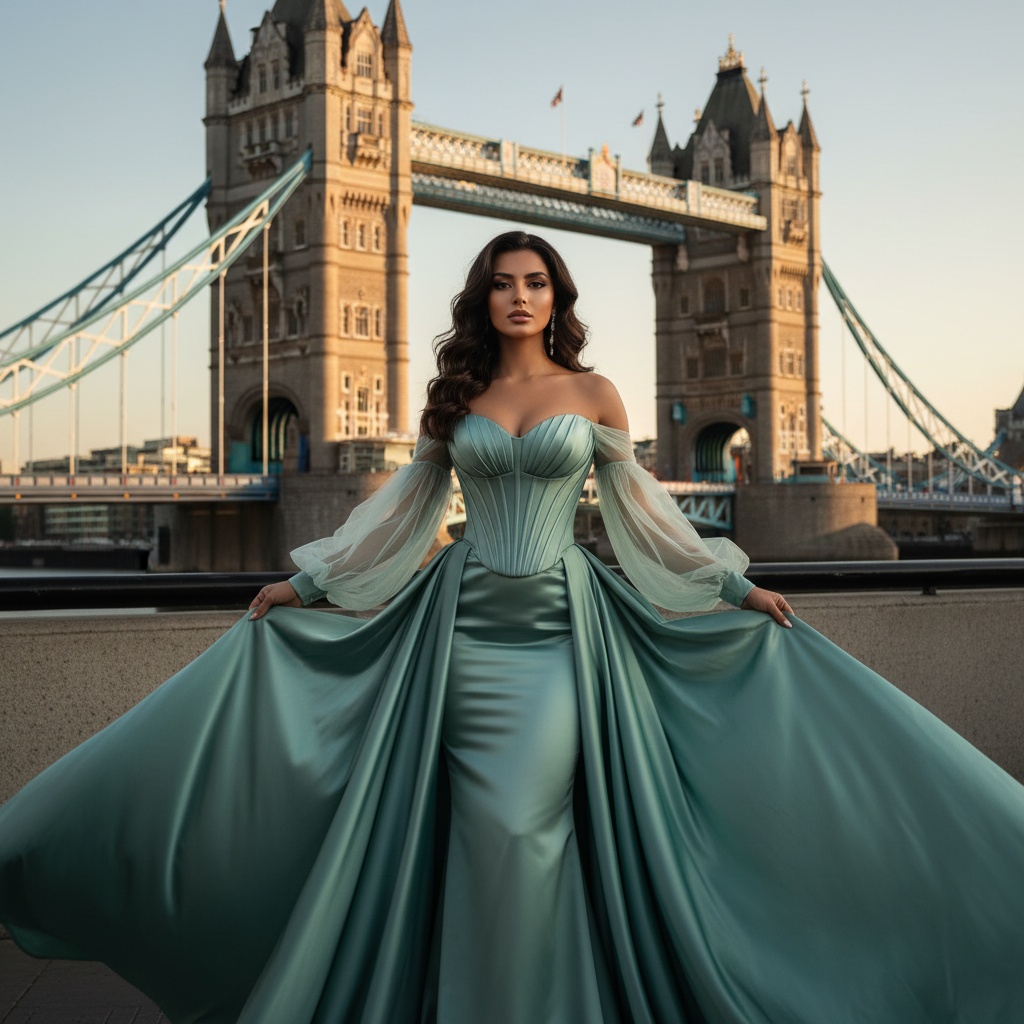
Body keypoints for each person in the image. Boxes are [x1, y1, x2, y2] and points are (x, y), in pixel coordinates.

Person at [2, 231, 1024, 1024]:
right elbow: (405, 515)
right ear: (482, 299)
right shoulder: (458, 399)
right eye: (503, 281)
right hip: (460, 632)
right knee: (479, 831)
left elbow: (646, 518)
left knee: (523, 824)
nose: (520, 295)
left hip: (556, 633)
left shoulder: (595, 393)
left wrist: (728, 588)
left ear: (558, 298)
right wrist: (305, 585)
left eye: (536, 280)